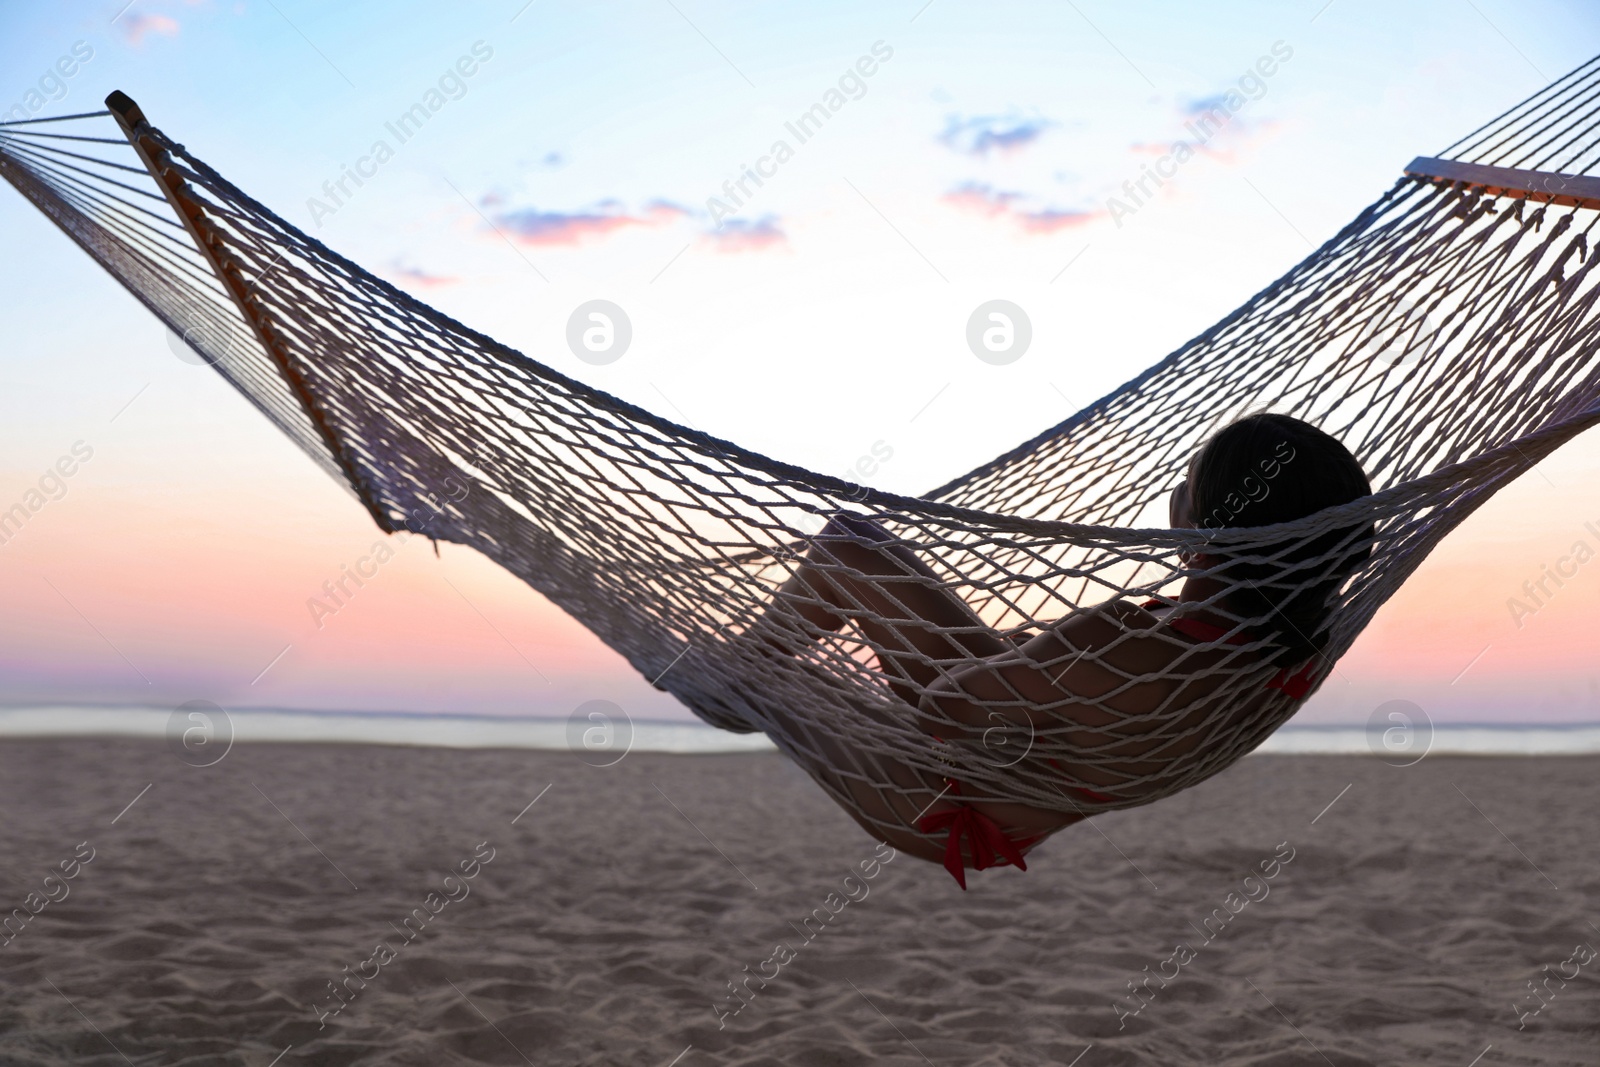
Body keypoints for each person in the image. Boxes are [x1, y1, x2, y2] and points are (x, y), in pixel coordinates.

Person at [757, 413, 1372, 887]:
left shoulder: (1118, 640)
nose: (1177, 493)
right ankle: (727, 675)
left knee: (763, 667)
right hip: (1016, 780)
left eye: (1188, 484)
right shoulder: (1300, 653)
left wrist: (1041, 653)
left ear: (1203, 525)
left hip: (939, 800)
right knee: (854, 544)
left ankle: (720, 685)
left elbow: (942, 709)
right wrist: (1036, 667)